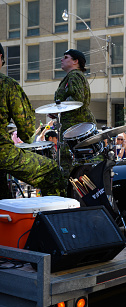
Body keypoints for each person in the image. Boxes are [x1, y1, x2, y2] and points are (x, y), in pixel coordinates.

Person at [0, 42, 66, 198]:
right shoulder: (7, 85)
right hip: (2, 154)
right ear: (0, 57)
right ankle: (55, 219)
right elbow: (27, 130)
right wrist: (27, 136)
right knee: (51, 170)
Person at [54, 49, 97, 177]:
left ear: (75, 61)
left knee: (69, 168)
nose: (62, 59)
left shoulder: (75, 75)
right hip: (74, 127)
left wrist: (59, 108)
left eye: (66, 57)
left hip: (74, 129)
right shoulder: (73, 76)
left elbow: (77, 100)